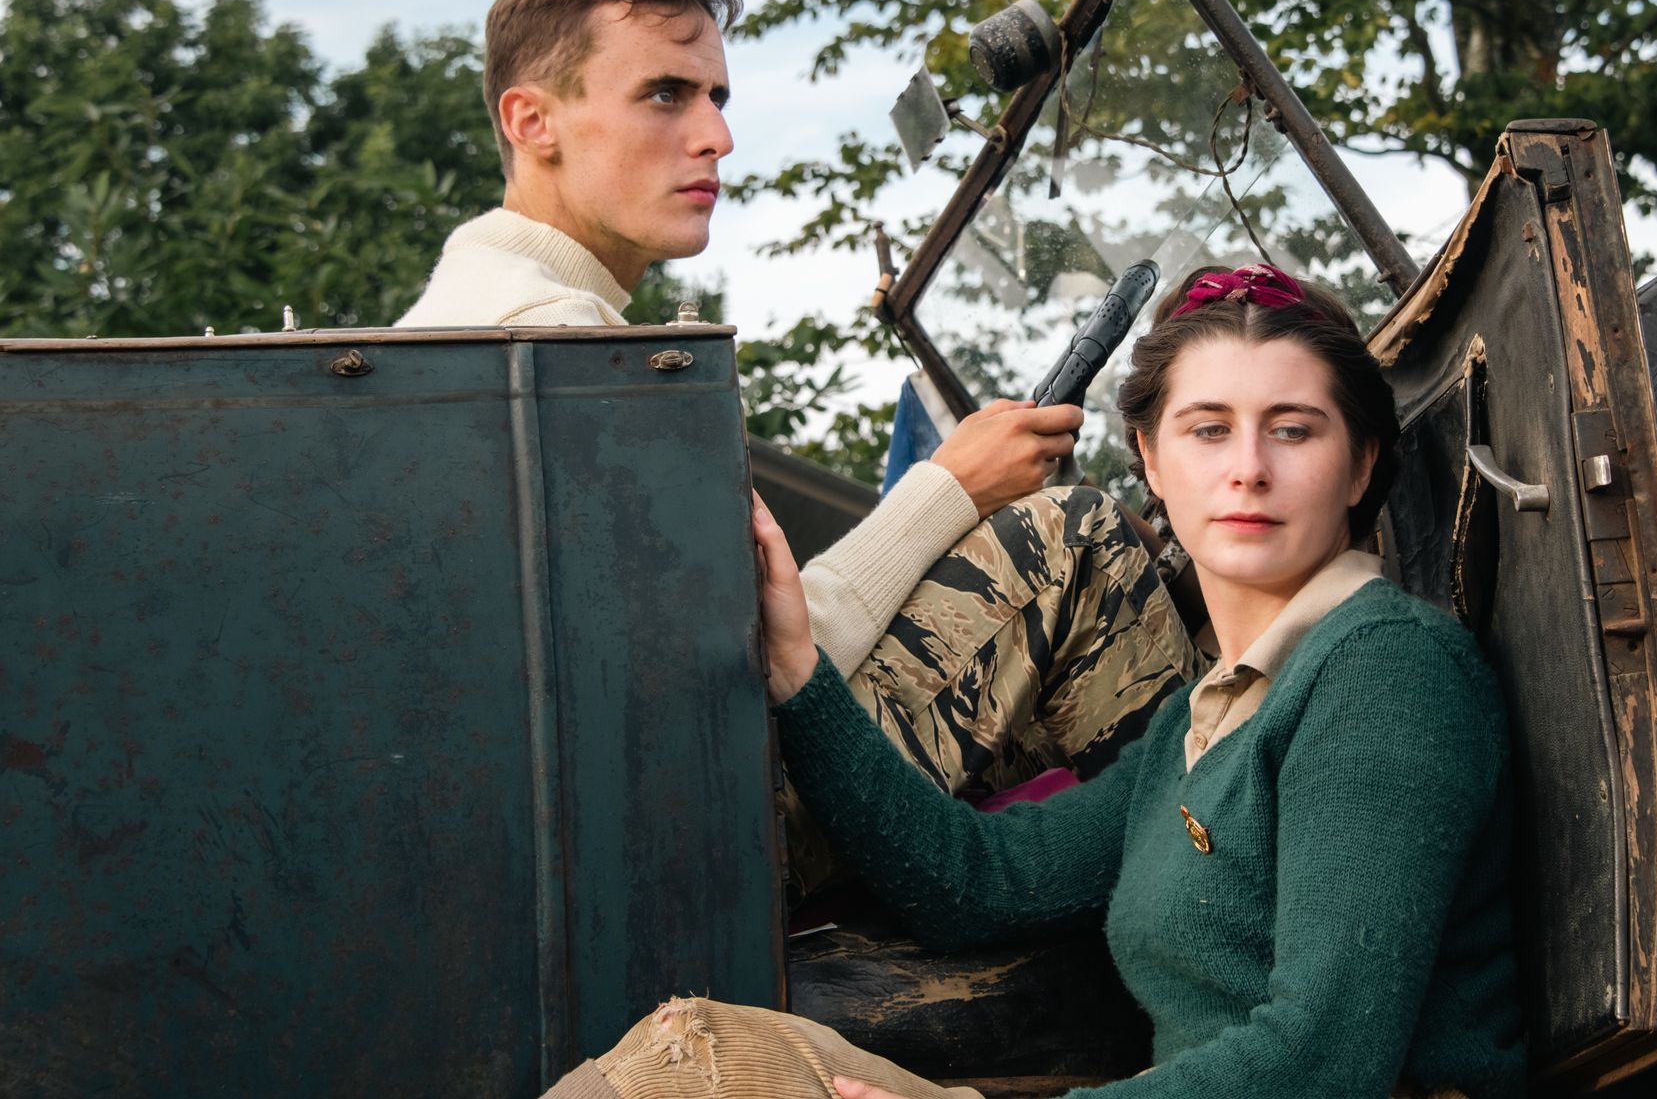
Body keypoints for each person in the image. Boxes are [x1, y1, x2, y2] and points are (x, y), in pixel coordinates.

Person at [545, 264, 1525, 1099]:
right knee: (693, 1053)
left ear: (1361, 465)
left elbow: (1322, 1061)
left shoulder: (1384, 671)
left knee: (700, 1068)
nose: (1249, 470)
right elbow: (974, 882)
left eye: (1295, 430)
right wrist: (799, 672)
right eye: (1208, 429)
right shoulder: (1199, 721)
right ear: (1150, 460)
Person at [395, 0, 1202, 895]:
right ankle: (1220, 917)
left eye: (718, 98)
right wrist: (952, 487)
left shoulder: (473, 316)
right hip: (694, 840)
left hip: (595, 838)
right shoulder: (559, 351)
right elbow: (744, 661)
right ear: (533, 122)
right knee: (1073, 542)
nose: (717, 137)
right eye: (665, 95)